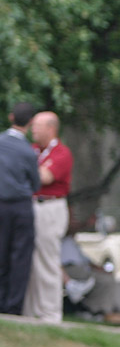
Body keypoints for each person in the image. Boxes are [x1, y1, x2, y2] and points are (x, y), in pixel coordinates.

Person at [23, 111, 73, 324]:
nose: (33, 129)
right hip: (31, 205)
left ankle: (51, 314)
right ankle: (30, 311)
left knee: (47, 260)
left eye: (37, 126)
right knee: (28, 261)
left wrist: (22, 169)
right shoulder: (33, 151)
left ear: (51, 128)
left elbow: (45, 176)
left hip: (50, 207)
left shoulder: (61, 153)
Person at [0, 102, 40, 316]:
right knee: (20, 257)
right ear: (30, 122)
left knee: (1, 254)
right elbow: (35, 183)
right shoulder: (27, 150)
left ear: (11, 117)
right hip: (21, 206)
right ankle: (13, 307)